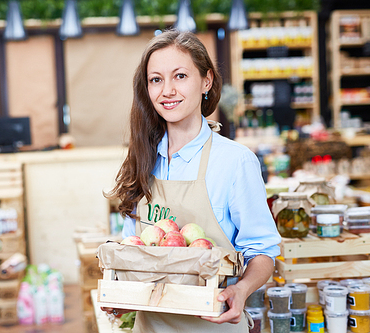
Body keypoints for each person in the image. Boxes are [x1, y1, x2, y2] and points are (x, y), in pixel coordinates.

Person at [103, 29, 281, 332]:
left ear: (206, 81)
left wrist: (241, 289)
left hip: (214, 323)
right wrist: (120, 292)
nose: (167, 90)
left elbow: (263, 251)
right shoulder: (143, 159)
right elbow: (131, 249)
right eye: (156, 79)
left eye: (180, 76)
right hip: (150, 325)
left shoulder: (234, 162)